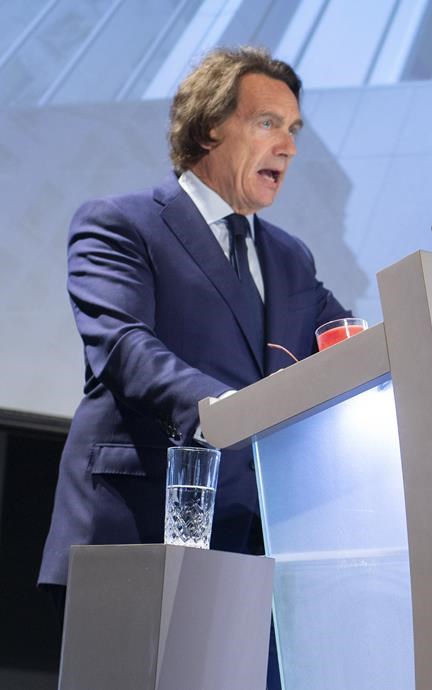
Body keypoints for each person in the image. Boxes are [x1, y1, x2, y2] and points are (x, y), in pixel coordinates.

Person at [38, 46, 349, 681]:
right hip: (144, 533)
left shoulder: (291, 259)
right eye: (268, 123)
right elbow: (124, 346)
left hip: (256, 552)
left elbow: (347, 345)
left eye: (294, 130)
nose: (287, 146)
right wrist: (233, 413)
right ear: (210, 127)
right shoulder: (121, 225)